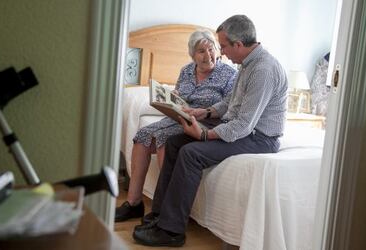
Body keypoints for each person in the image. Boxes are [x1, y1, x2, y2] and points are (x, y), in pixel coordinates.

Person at [132, 15, 288, 247]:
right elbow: (229, 104)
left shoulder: (263, 70)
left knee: (191, 153)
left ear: (238, 44)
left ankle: (172, 231)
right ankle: (160, 215)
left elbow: (243, 125)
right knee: (175, 142)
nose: (221, 53)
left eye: (222, 46)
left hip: (259, 138)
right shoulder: (247, 64)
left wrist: (204, 135)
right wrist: (204, 112)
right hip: (241, 128)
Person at [115, 29, 237, 222]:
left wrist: (203, 111)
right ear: (192, 55)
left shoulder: (229, 74)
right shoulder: (186, 70)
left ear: (218, 49)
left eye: (211, 48)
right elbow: (179, 94)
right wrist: (173, 101)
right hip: (178, 117)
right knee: (142, 137)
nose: (208, 55)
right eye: (201, 51)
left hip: (205, 122)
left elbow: (230, 107)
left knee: (166, 143)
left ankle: (165, 211)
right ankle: (133, 203)